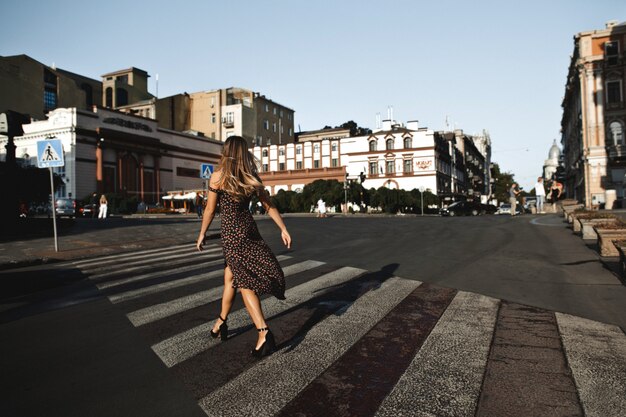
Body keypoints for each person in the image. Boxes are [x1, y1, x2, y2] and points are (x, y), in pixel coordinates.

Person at [196, 136, 291, 358]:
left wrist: (201, 233)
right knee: (230, 278)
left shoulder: (218, 176)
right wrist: (283, 228)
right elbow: (269, 205)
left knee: (244, 281)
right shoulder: (250, 176)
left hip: (231, 236)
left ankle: (263, 332)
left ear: (226, 151)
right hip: (249, 230)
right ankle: (220, 323)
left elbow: (210, 210)